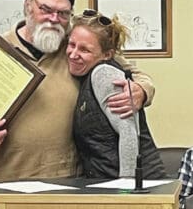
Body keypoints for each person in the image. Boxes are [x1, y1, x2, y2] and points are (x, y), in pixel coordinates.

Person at [0, 0, 155, 209]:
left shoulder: (75, 47)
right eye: (46, 9)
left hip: (67, 185)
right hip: (2, 190)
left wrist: (142, 92)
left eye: (63, 13)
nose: (54, 19)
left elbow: (137, 75)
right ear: (28, 6)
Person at [68, 9, 165, 179]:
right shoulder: (88, 74)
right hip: (108, 181)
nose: (73, 54)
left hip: (135, 188)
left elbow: (129, 134)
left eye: (85, 50)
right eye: (71, 44)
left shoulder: (104, 74)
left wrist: (126, 191)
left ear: (107, 55)